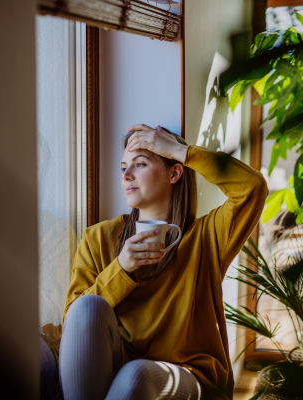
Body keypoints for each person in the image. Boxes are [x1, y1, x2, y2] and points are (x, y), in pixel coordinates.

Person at [59, 124, 268, 400]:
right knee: (87, 307)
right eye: (124, 167)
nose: (127, 176)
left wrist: (179, 151)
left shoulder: (206, 237)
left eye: (140, 163)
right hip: (119, 362)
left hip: (189, 375)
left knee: (136, 376)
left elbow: (252, 188)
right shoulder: (99, 238)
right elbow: (75, 322)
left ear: (175, 173)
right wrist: (121, 269)